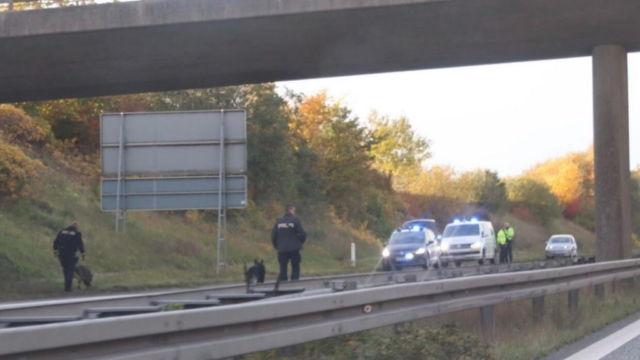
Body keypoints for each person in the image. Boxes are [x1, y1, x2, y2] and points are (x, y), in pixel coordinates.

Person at [271, 204, 307, 281]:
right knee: (295, 266)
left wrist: (277, 246)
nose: (294, 212)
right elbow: (303, 234)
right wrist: (299, 242)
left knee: (283, 267)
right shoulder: (295, 221)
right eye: (294, 210)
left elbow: (274, 236)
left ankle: (283, 282)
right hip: (294, 248)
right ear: (290, 210)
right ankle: (294, 281)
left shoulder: (278, 222)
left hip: (282, 248)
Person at [53, 221, 86, 292]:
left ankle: (66, 285)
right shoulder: (77, 233)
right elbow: (80, 244)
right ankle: (68, 287)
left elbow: (56, 242)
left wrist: (55, 251)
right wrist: (83, 254)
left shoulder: (62, 232)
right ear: (77, 227)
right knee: (70, 270)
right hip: (70, 253)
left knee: (65, 269)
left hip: (61, 253)